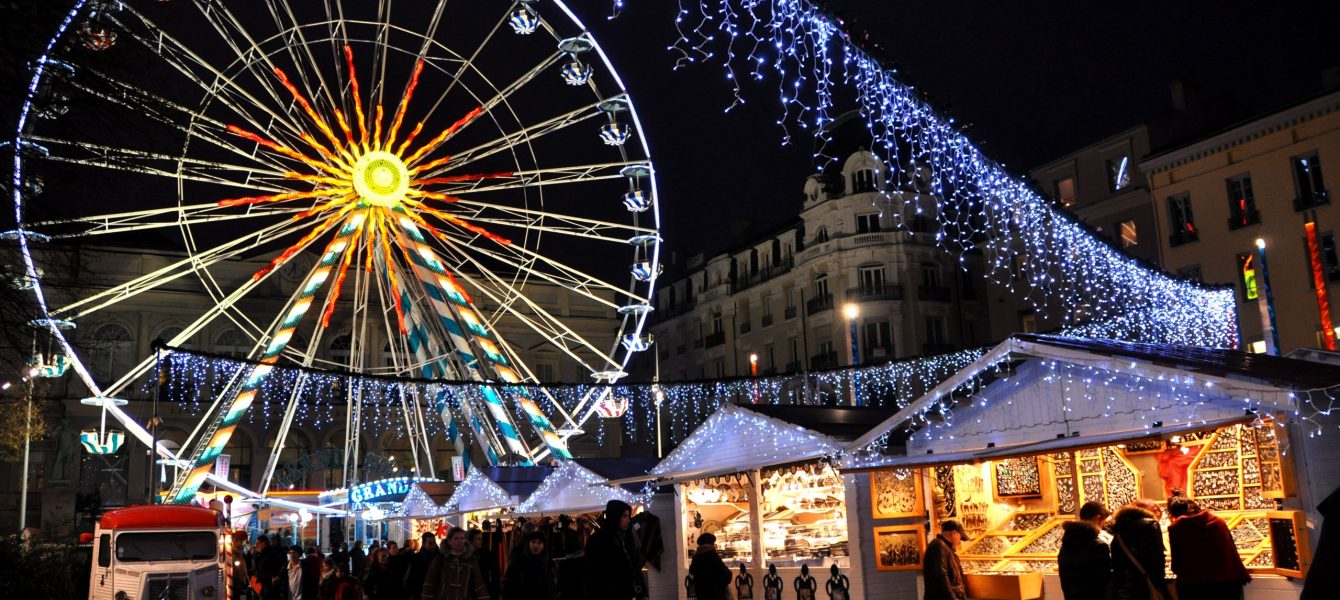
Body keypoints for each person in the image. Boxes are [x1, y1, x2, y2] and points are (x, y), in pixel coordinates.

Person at [1167, 494, 1250, 600]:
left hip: (1195, 587)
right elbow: (1231, 551)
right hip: (1228, 584)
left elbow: (1177, 563)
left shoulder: (1177, 527)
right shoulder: (1218, 521)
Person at [583, 499, 648, 600]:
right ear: (615, 516)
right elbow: (592, 575)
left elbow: (634, 566)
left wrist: (643, 593)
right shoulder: (597, 540)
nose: (628, 520)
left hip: (629, 594)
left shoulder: (626, 537)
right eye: (624, 516)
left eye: (628, 516)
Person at [1109, 499, 1170, 600]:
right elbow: (1157, 559)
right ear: (1142, 509)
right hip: (1145, 584)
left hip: (1125, 587)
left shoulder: (1120, 526)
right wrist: (1158, 583)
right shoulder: (1151, 524)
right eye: (1155, 510)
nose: (1159, 513)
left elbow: (1116, 561)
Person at [1058, 501, 1112, 599]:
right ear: (1098, 518)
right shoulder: (1098, 546)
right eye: (1103, 523)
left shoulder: (1066, 544)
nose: (1103, 527)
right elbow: (1104, 582)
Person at [422, 526, 491, 600]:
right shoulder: (440, 559)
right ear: (449, 541)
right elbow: (430, 582)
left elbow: (478, 583)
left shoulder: (470, 559)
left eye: (462, 538)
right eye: (456, 538)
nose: (459, 541)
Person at [503, 531, 557, 600]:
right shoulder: (519, 561)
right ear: (529, 543)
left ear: (543, 545)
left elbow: (550, 586)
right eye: (533, 542)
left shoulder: (547, 562)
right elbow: (509, 585)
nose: (536, 545)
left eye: (539, 543)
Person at [922, 519, 969, 600]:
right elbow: (941, 578)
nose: (960, 541)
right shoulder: (939, 546)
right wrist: (953, 598)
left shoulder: (946, 548)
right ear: (954, 533)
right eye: (960, 536)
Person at [689, 533, 733, 600]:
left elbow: (692, 574)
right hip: (715, 594)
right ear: (710, 544)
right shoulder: (712, 555)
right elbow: (726, 575)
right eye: (713, 543)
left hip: (701, 595)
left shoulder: (696, 558)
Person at [406, 532, 439, 600]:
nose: (433, 545)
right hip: (420, 593)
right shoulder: (415, 558)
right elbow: (408, 578)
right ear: (424, 544)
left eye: (434, 542)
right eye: (430, 543)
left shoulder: (439, 558)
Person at [468, 530, 500, 599]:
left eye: (481, 538)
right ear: (471, 540)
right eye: (478, 538)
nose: (481, 540)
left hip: (484, 587)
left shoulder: (486, 553)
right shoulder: (466, 554)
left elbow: (494, 571)